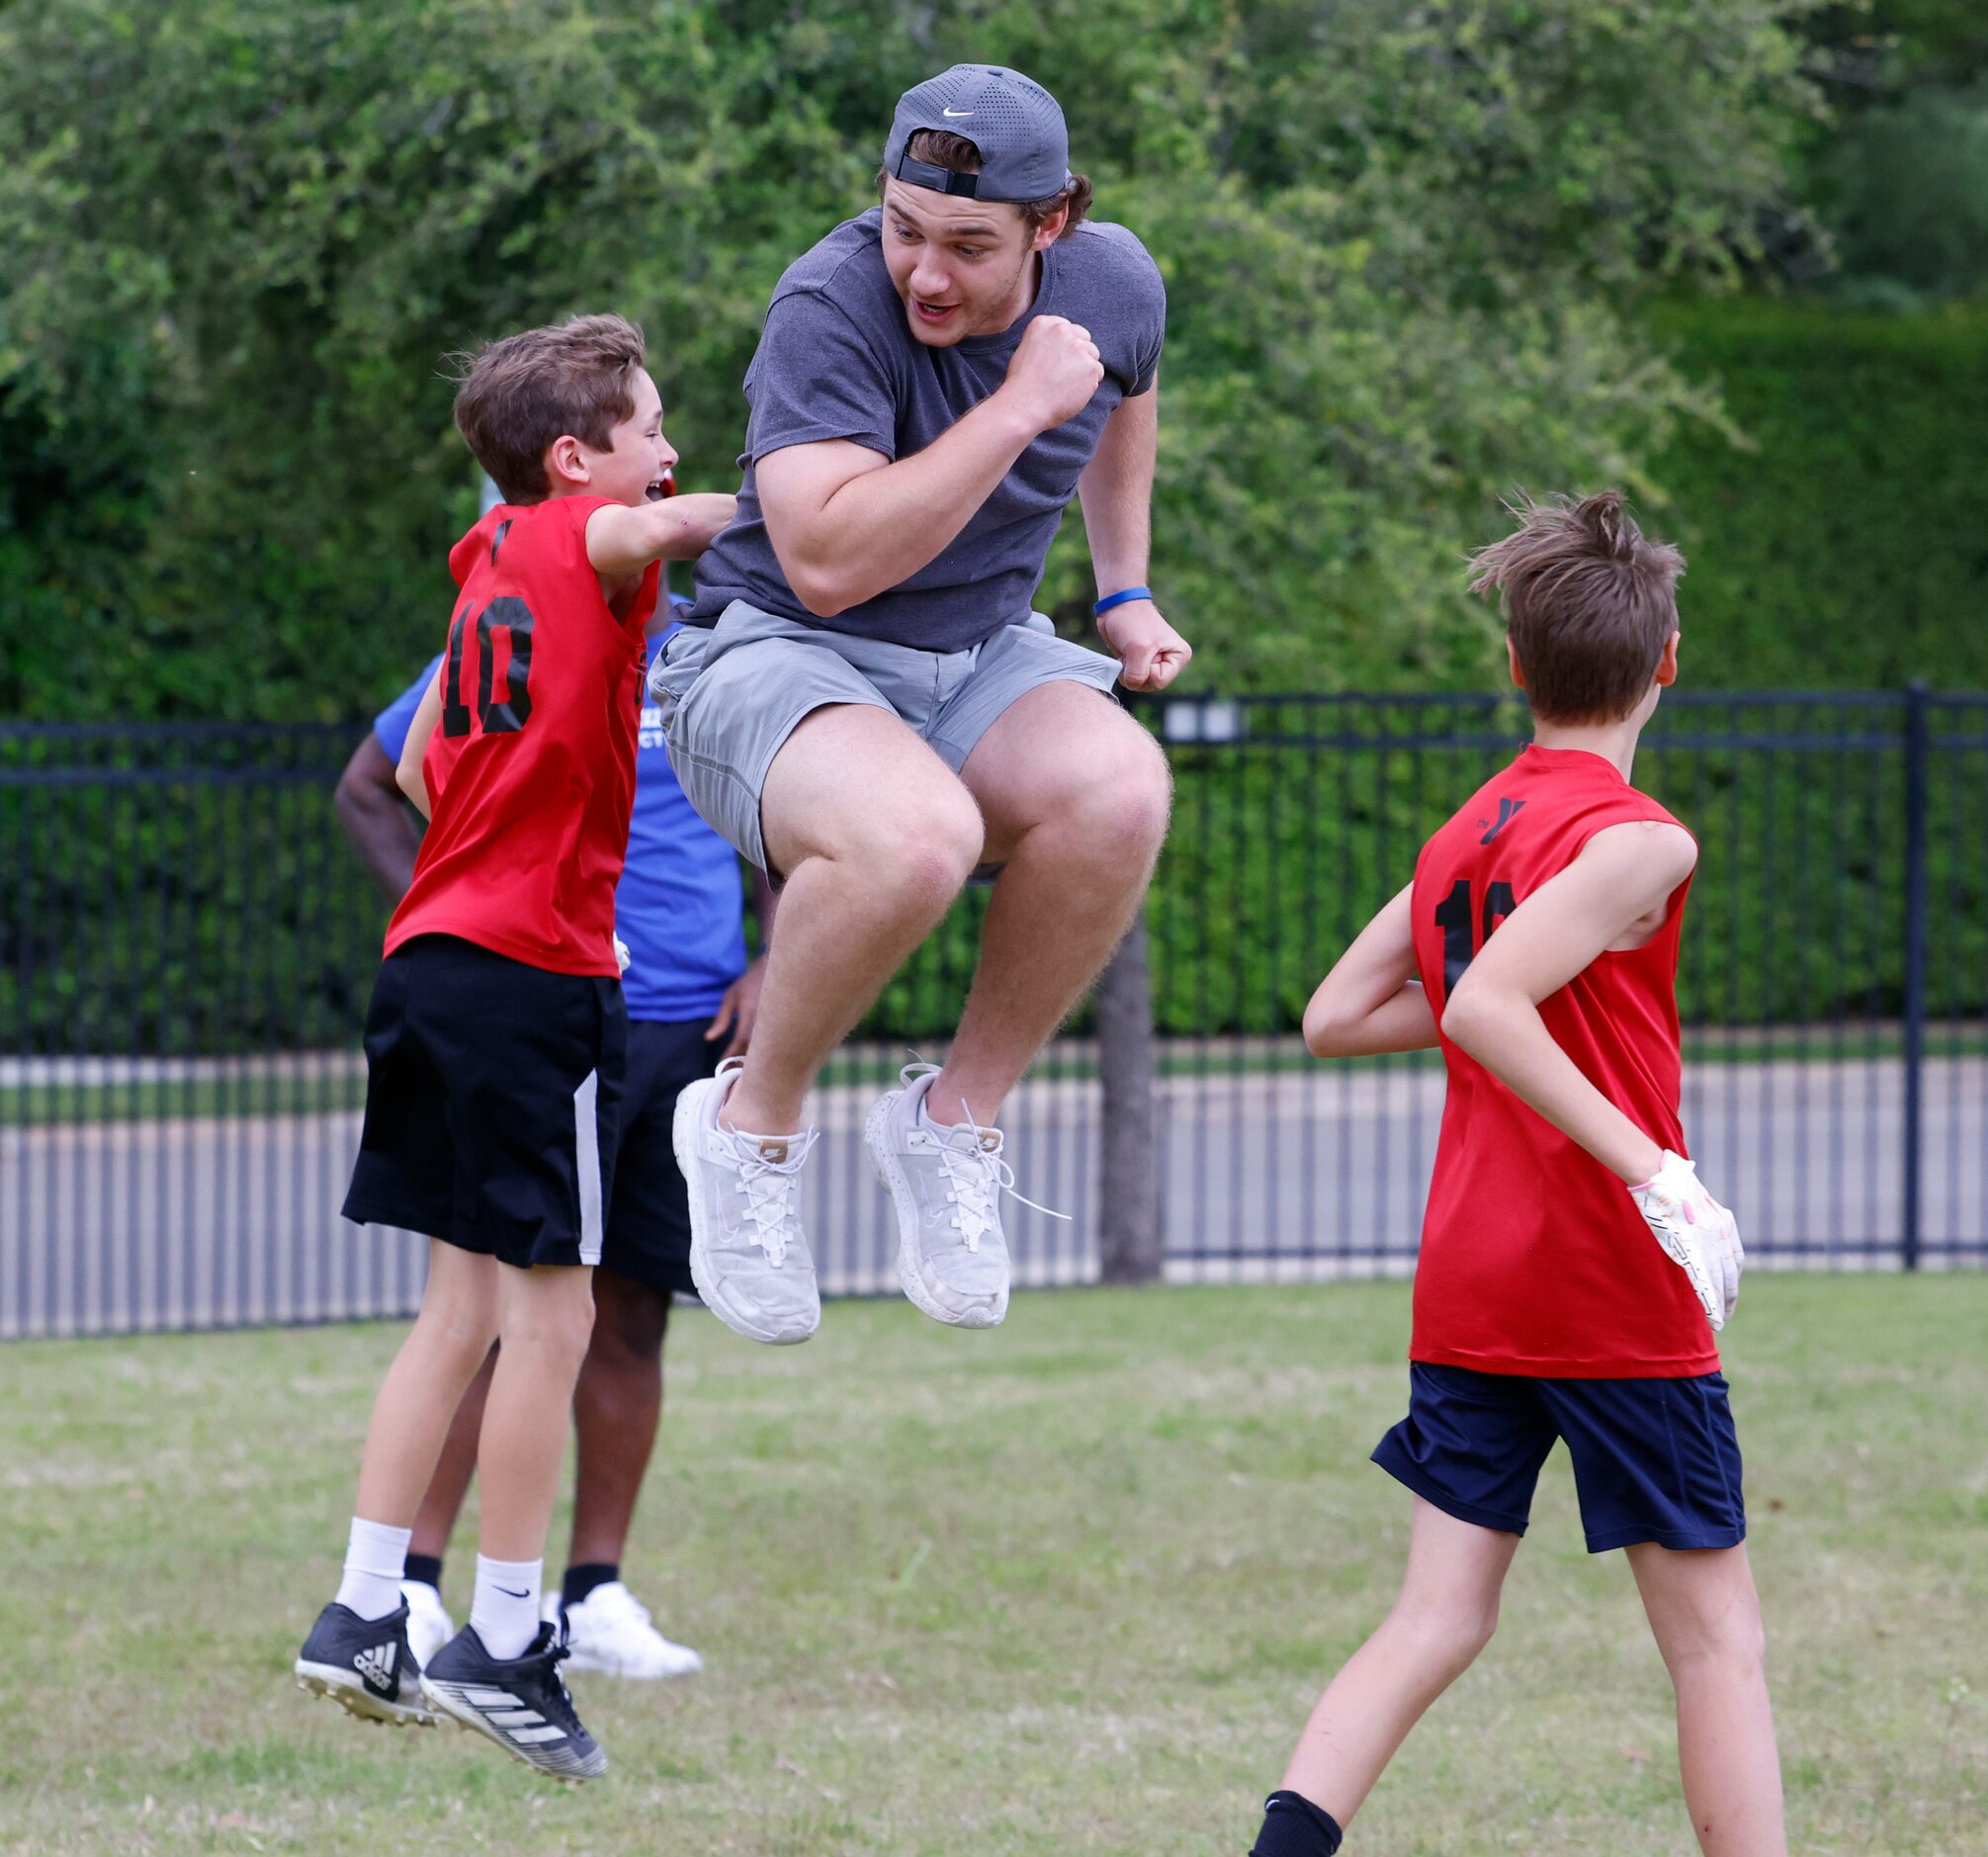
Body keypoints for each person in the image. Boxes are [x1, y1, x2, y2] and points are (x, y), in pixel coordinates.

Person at [1250, 493, 1780, 1857]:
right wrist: (1657, 1171)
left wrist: (1507, 992)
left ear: (1512, 668)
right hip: (1605, 1274)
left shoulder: (1468, 828)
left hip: (1472, 1278)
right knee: (1714, 1643)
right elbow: (1487, 1001)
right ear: (1665, 660)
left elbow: (1339, 1012)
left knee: (1437, 1615)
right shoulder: (1644, 838)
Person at [652, 63, 1190, 1347]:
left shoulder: (1112, 282)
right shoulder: (826, 309)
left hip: (973, 654)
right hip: (773, 650)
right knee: (917, 836)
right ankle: (750, 1126)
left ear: (1050, 223)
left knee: (1120, 791)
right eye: (902, 227)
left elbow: (1125, 403)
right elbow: (830, 561)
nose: (924, 272)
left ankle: (951, 1123)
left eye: (965, 243)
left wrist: (1122, 589)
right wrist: (1014, 409)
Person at [293, 312, 735, 1783]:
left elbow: (420, 769)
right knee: (555, 1318)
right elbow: (677, 526)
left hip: (429, 963)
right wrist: (812, 491)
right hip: (532, 979)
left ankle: (363, 1607)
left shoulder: (484, 570)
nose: (668, 454)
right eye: (648, 431)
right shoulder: (580, 540)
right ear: (572, 457)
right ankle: (501, 1635)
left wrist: (492, 853)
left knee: (459, 1309)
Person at [332, 564, 773, 1682]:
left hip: (687, 1028)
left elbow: (793, 813)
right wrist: (447, 919)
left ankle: (595, 1597)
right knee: (495, 1306)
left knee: (629, 1316)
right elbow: (370, 786)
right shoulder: (518, 631)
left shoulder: (719, 657)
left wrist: (778, 958)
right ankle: (420, 1592)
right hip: (552, 1012)